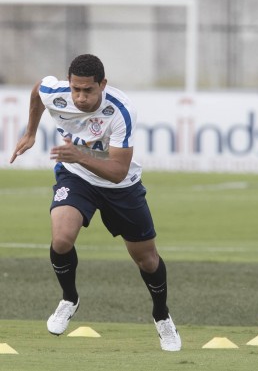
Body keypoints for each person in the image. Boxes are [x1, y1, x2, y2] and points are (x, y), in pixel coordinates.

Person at [9, 54, 182, 351]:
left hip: (120, 187)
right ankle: (69, 298)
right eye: (75, 89)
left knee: (147, 259)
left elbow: (118, 171)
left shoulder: (121, 110)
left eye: (88, 90)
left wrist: (80, 155)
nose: (80, 97)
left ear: (103, 84)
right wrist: (31, 131)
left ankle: (162, 315)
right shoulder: (57, 93)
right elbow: (38, 89)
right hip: (76, 176)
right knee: (61, 239)